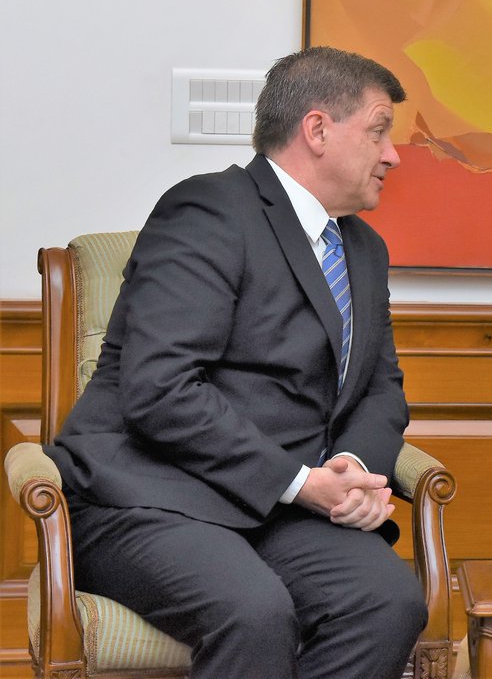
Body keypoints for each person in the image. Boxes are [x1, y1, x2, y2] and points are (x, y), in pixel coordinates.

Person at [45, 47, 427, 678]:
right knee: (252, 610)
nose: (393, 155)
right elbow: (159, 390)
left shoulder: (363, 248)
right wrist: (304, 484)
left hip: (279, 509)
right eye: (380, 130)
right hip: (150, 498)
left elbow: (381, 389)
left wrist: (353, 470)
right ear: (318, 129)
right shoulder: (208, 211)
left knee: (385, 602)